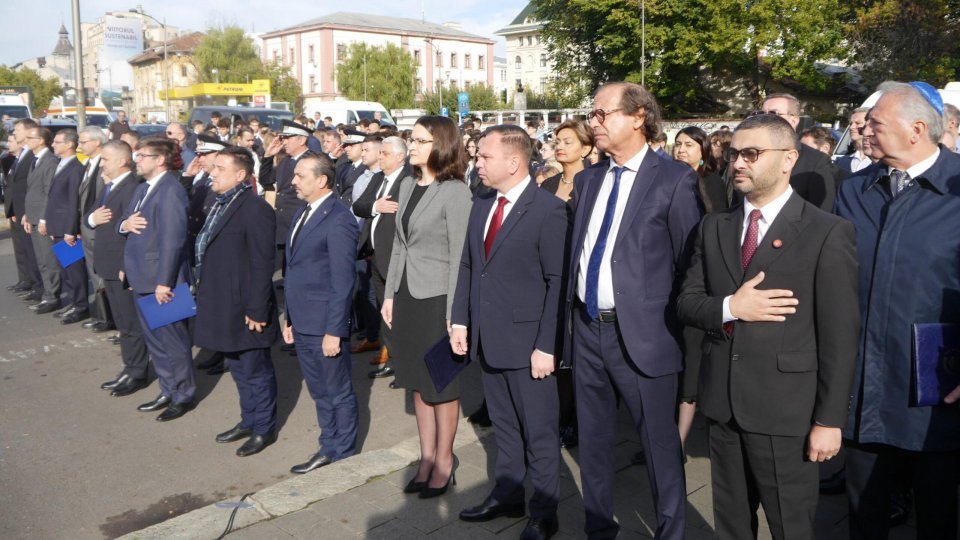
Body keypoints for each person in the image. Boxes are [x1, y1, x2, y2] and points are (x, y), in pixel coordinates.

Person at [677, 113, 859, 539]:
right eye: (735, 153)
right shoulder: (714, 226)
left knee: (790, 527)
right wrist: (729, 307)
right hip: (722, 407)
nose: (739, 163)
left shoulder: (827, 232)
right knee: (732, 525)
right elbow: (686, 303)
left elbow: (840, 337)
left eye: (752, 154)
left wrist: (829, 421)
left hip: (786, 414)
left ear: (788, 159)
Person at [567, 82, 701, 539]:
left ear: (639, 116)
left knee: (660, 447)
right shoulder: (587, 180)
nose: (594, 123)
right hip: (587, 330)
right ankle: (598, 527)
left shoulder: (674, 179)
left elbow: (690, 263)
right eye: (592, 114)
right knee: (594, 442)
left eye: (603, 114)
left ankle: (671, 531)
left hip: (644, 337)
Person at [836, 80, 960, 540]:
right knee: (864, 513)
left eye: (875, 123)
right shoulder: (853, 190)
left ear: (917, 129)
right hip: (865, 386)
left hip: (938, 391)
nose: (864, 130)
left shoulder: (957, 188)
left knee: (937, 514)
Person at [451, 125, 569, 539]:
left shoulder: (548, 211)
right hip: (488, 338)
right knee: (503, 426)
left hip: (528, 346)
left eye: (483, 157)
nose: (476, 163)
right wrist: (460, 319)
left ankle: (544, 511)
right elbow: (469, 264)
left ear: (514, 162)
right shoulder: (483, 202)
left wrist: (545, 345)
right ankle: (508, 494)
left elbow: (558, 284)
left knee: (538, 431)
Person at [380, 116, 472, 498]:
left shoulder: (456, 192)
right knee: (417, 384)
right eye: (411, 139)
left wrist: (456, 314)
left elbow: (459, 257)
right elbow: (400, 244)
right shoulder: (406, 184)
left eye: (419, 140)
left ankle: (445, 460)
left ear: (441, 145)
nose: (412, 146)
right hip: (406, 297)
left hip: (437, 301)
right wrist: (388, 294)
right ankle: (426, 457)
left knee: (441, 385)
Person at [194, 147, 279, 457]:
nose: (212, 172)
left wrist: (257, 309)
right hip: (224, 304)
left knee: (256, 370)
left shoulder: (254, 208)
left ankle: (263, 428)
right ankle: (248, 420)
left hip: (246, 308)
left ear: (240, 175)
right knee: (240, 370)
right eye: (212, 166)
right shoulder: (221, 202)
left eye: (219, 168)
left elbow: (262, 262)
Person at [282, 153, 360, 473]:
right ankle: (327, 446)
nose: (293, 181)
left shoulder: (339, 218)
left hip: (325, 325)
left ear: (322, 180)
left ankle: (343, 455)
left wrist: (335, 330)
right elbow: (294, 269)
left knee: (337, 392)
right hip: (302, 321)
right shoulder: (305, 211)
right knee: (319, 392)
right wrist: (288, 317)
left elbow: (343, 281)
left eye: (300, 175)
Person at [118, 138, 196, 421]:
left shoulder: (171, 191)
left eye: (142, 155)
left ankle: (183, 394)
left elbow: (173, 240)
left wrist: (165, 281)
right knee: (156, 341)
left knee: (173, 342)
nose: (136, 160)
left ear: (160, 159)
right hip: (141, 276)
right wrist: (123, 225)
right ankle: (167, 388)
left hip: (164, 281)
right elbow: (125, 222)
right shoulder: (142, 188)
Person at [88, 141, 150, 397]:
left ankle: (137, 372)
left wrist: (127, 266)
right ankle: (129, 367)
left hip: (122, 267)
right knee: (123, 324)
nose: (101, 164)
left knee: (131, 323)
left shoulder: (132, 188)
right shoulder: (109, 185)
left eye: (105, 159)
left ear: (122, 161)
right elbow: (90, 215)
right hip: (107, 264)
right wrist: (92, 219)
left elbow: (136, 233)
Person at [353, 136, 411, 378]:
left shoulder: (408, 180)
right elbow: (359, 206)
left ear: (400, 156)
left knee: (401, 312)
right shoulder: (379, 178)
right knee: (384, 310)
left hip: (396, 257)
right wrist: (376, 206)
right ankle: (393, 360)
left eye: (385, 153)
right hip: (375, 256)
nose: (380, 157)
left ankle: (407, 363)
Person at [758, 94, 836, 210]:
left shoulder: (816, 161)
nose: (765, 118)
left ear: (794, 120)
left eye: (774, 113)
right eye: (762, 113)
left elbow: (822, 213)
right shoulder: (748, 155)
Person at [45, 129, 90, 324]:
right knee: (66, 270)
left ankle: (80, 307)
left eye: (57, 142)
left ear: (69, 145)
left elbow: (73, 202)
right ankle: (72, 303)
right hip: (58, 226)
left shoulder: (75, 168)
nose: (53, 145)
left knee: (74, 271)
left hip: (67, 229)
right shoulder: (61, 165)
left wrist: (70, 230)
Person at [259, 120, 311, 270]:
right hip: (283, 226)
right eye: (283, 138)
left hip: (300, 224)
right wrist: (268, 156)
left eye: (288, 138)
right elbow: (266, 180)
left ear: (301, 140)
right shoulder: (285, 161)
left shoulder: (312, 159)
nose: (284, 141)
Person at [77, 126, 115, 333]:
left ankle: (107, 318)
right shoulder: (89, 164)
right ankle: (101, 315)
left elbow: (103, 201)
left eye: (83, 142)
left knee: (100, 276)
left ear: (97, 142)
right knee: (94, 276)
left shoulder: (104, 168)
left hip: (98, 231)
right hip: (87, 228)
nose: (79, 146)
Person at [22, 126, 63, 314]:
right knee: (41, 259)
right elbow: (33, 191)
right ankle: (48, 293)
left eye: (30, 137)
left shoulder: (50, 161)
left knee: (49, 260)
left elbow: (49, 193)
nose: (26, 140)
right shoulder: (36, 159)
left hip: (43, 218)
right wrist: (27, 214)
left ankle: (52, 296)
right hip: (34, 216)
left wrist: (45, 219)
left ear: (40, 141)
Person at [350, 136, 383, 357]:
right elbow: (357, 207)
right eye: (361, 149)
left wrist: (369, 207)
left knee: (376, 293)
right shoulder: (361, 176)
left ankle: (382, 341)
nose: (362, 153)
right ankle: (372, 335)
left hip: (374, 244)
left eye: (367, 150)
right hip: (359, 241)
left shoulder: (384, 178)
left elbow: (370, 208)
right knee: (365, 290)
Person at [5, 119, 43, 299]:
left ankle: (41, 288)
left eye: (17, 129)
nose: (14, 132)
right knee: (25, 251)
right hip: (20, 212)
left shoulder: (34, 157)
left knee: (39, 254)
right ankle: (31, 282)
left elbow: (34, 188)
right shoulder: (22, 156)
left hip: (31, 214)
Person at [541, 119, 594, 207]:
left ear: (585, 149)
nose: (559, 147)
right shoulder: (547, 184)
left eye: (567, 142)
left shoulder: (594, 184)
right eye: (557, 142)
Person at [835, 108, 870, 174]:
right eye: (851, 124)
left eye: (858, 123)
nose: (851, 127)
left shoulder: (882, 162)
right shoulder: (841, 162)